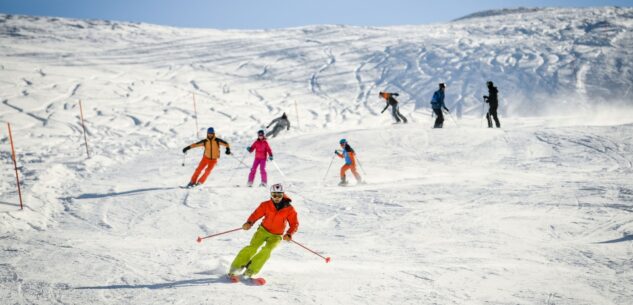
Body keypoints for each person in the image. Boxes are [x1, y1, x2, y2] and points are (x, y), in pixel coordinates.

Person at [228, 183, 298, 282]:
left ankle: (250, 270)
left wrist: (289, 233)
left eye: (279, 195)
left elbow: (294, 223)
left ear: (283, 195)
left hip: (276, 235)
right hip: (263, 230)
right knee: (252, 247)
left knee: (267, 250)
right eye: (274, 195)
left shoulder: (289, 209)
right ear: (271, 194)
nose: (277, 198)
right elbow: (256, 214)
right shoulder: (265, 205)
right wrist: (249, 223)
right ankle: (236, 267)